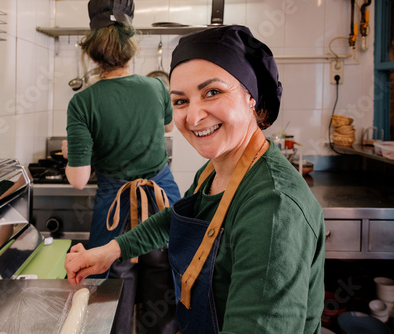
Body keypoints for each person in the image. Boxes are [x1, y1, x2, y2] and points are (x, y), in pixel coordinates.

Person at [65, 24, 326, 334]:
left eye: (212, 92)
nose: (193, 116)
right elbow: (173, 220)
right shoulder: (214, 170)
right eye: (181, 101)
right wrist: (111, 251)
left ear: (250, 96)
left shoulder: (273, 208)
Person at [61, 0, 181, 333]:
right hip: (162, 202)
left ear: (92, 50)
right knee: (165, 294)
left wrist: (72, 151)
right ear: (130, 46)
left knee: (110, 298)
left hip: (114, 208)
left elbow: (79, 179)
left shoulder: (83, 102)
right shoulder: (157, 87)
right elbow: (169, 127)